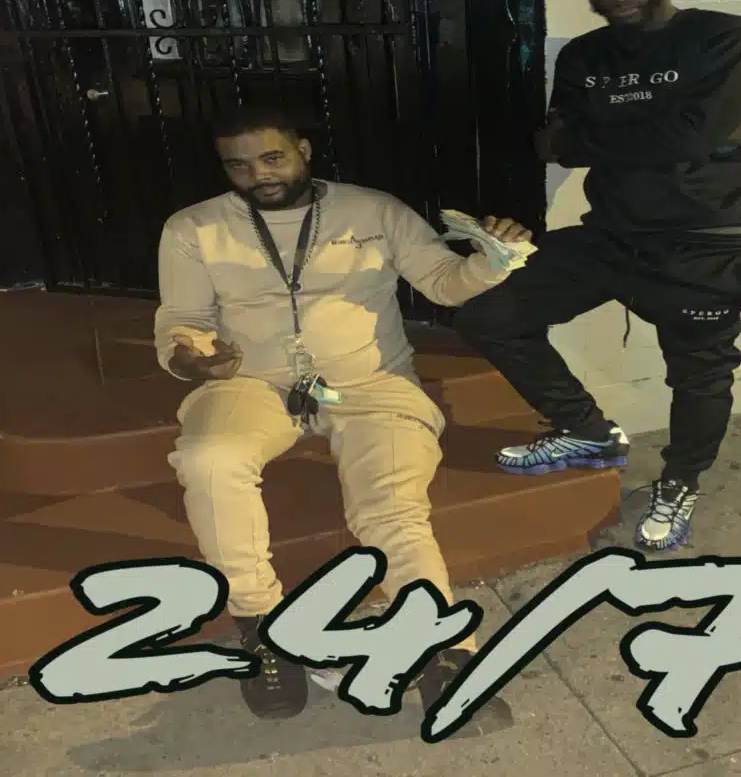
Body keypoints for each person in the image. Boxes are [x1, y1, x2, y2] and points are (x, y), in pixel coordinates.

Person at [154, 101, 531, 728]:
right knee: (209, 460)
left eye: (272, 157)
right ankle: (261, 627)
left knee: (391, 504)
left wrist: (493, 259)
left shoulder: (375, 210)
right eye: (238, 166)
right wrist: (193, 358)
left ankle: (445, 653)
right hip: (250, 382)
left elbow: (443, 280)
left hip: (372, 381)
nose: (258, 175)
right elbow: (182, 322)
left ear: (303, 151)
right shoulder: (194, 228)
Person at [451, 0, 741, 553]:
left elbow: (672, 137)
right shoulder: (583, 56)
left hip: (703, 239)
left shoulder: (726, 37)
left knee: (699, 375)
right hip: (611, 235)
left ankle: (681, 480)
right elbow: (554, 145)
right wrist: (705, 131)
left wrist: (666, 134)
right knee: (487, 311)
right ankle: (586, 430)